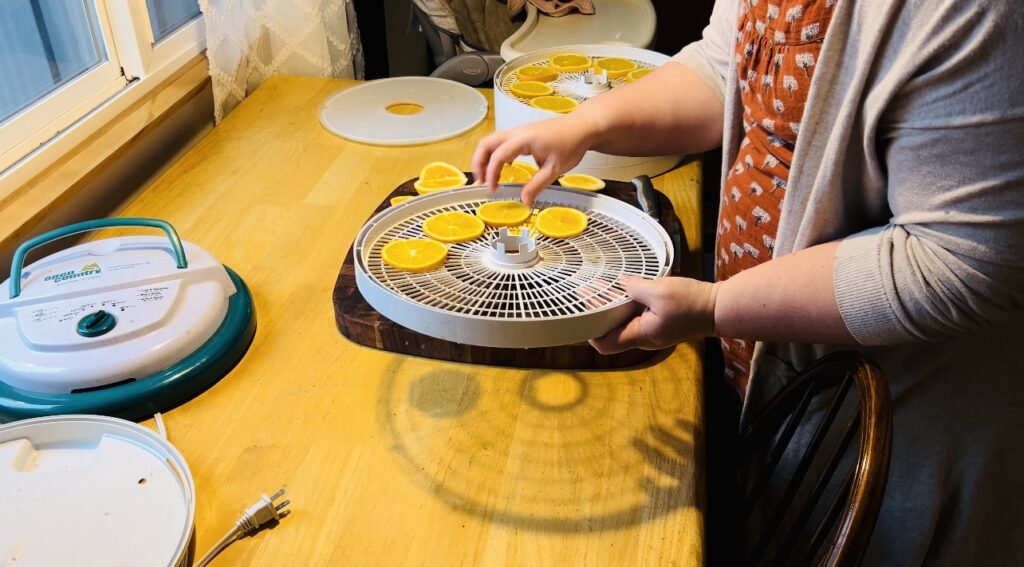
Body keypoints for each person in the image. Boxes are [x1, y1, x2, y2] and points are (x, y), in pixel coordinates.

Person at [472, 0, 1024, 564]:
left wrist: (718, 307)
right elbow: (723, 67)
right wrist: (589, 124)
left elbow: (959, 263)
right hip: (767, 369)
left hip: (888, 424)